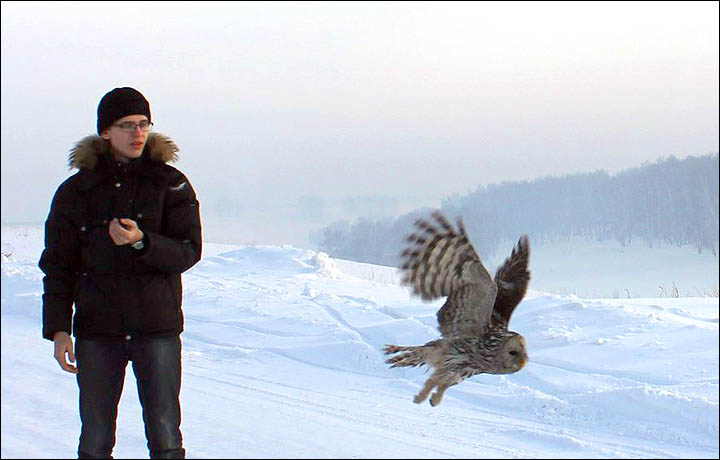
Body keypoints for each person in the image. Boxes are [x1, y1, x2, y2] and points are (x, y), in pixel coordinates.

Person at [39, 87, 202, 459]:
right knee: (95, 441)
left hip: (156, 329)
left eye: (143, 124)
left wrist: (143, 242)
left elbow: (189, 251)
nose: (137, 133)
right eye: (126, 125)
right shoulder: (75, 192)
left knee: (165, 439)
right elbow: (58, 265)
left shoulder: (170, 183)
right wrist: (59, 330)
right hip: (98, 332)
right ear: (105, 132)